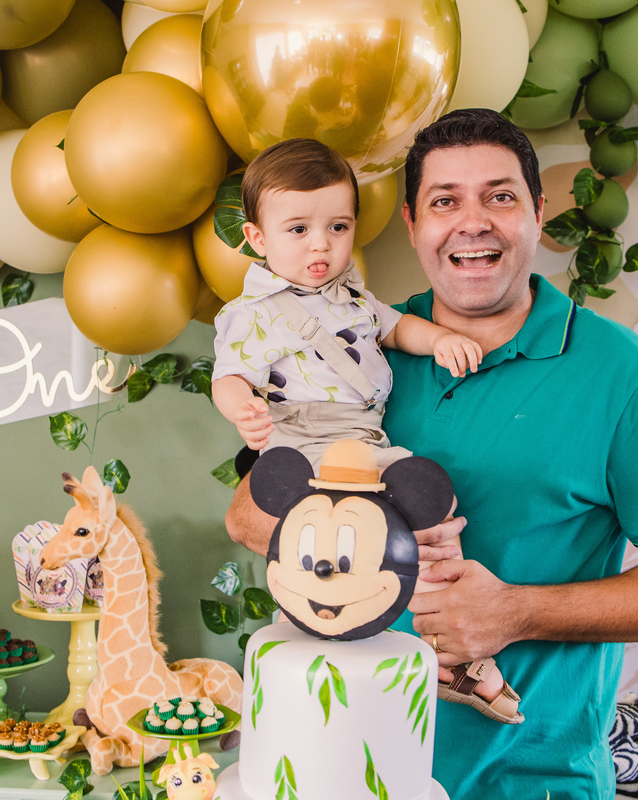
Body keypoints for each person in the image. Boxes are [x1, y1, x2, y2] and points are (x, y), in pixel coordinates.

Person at [224, 109, 638, 799]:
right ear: (412, 224)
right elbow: (248, 515)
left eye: (499, 196)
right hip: (344, 770)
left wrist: (515, 611)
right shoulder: (356, 346)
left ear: (537, 213)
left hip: (530, 781)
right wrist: (381, 574)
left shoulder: (619, 374)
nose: (473, 222)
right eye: (445, 202)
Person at [212, 138, 519, 718]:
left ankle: (451, 646)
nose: (321, 244)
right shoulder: (251, 315)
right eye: (298, 229)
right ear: (257, 238)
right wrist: (241, 408)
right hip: (303, 439)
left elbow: (398, 329)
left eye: (338, 227)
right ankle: (326, 643)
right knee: (332, 538)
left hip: (364, 438)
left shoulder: (354, 300)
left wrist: (441, 339)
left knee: (434, 509)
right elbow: (228, 376)